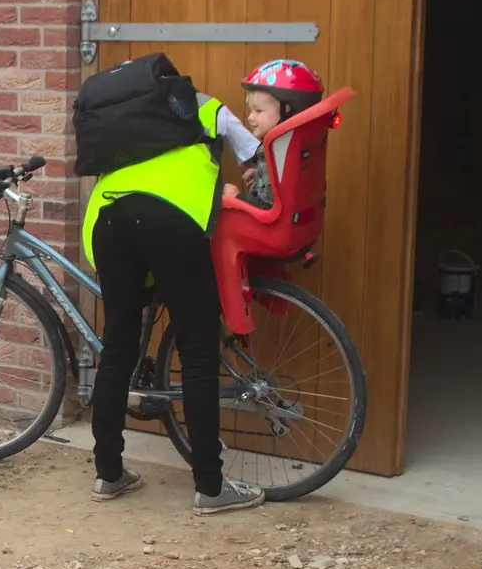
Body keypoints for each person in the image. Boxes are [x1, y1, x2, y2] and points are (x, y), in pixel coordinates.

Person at [83, 61, 319, 514]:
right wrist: (249, 185)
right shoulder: (207, 107)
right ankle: (211, 486)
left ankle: (108, 474)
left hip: (109, 219)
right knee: (197, 351)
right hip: (171, 220)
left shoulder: (131, 114)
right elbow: (261, 154)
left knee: (116, 348)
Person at [237, 60, 326, 210]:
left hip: (266, 230)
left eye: (258, 111)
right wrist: (260, 173)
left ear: (288, 110)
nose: (250, 117)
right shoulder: (296, 145)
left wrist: (237, 198)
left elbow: (267, 208)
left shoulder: (275, 152)